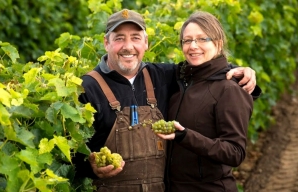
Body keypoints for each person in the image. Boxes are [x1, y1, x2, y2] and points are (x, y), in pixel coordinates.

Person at [72, 9, 260, 192]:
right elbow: (71, 155)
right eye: (119, 38)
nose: (128, 46)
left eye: (136, 38)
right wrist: (90, 168)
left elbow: (203, 69)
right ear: (106, 43)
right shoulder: (85, 88)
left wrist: (237, 70)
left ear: (146, 42)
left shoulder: (162, 75)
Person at [156, 11, 257, 192]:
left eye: (202, 39)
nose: (193, 46)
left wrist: (185, 136)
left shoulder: (229, 89)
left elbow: (235, 152)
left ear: (218, 44)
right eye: (187, 40)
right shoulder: (181, 81)